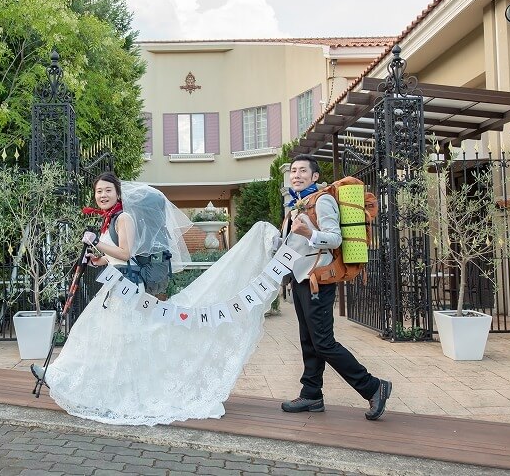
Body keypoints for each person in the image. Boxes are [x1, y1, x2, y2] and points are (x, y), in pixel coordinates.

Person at [39, 172, 281, 426]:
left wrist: (98, 242)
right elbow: (116, 257)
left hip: (127, 290)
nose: (103, 195)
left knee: (108, 338)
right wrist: (97, 258)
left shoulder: (124, 217)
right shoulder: (109, 219)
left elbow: (126, 251)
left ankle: (69, 378)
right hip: (116, 286)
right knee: (100, 338)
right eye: (99, 191)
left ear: (118, 193)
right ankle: (67, 378)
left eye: (108, 190)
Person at [280, 155, 391, 421]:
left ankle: (373, 386)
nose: (296, 175)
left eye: (303, 171)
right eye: (293, 171)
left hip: (319, 280)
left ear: (315, 176)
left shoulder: (323, 200)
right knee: (309, 340)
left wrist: (310, 234)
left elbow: (334, 237)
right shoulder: (296, 204)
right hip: (301, 279)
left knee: (324, 342)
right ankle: (311, 394)